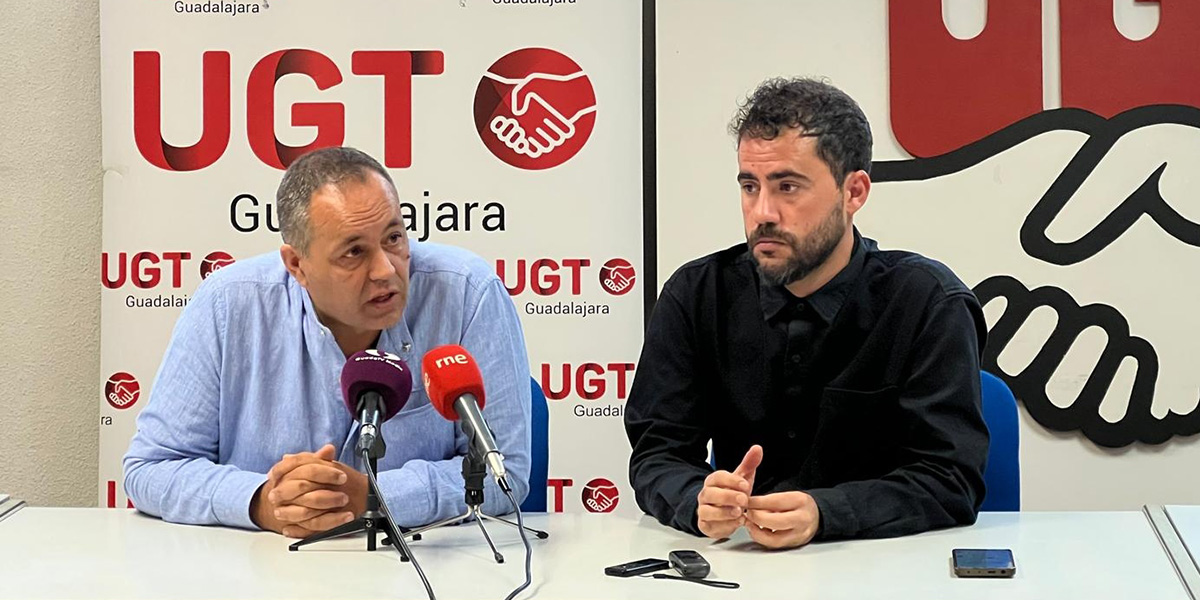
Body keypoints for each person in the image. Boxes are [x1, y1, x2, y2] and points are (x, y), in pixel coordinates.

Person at [624, 77, 989, 549]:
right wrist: (697, 498)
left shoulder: (927, 303)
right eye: (750, 186)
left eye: (788, 187)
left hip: (884, 565)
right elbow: (657, 455)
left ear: (854, 192)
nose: (763, 212)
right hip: (739, 566)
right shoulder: (696, 295)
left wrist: (826, 513)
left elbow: (951, 479)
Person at [124, 147, 531, 538]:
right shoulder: (228, 304)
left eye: (394, 238)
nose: (385, 270)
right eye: (354, 252)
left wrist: (375, 496)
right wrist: (263, 502)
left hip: (422, 564)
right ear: (297, 264)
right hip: (265, 566)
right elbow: (151, 468)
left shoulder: (467, 293)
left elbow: (506, 473)